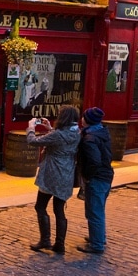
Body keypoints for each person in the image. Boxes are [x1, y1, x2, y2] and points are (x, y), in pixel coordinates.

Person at [26, 105, 81, 254]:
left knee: (40, 206)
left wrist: (31, 127)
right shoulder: (76, 133)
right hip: (67, 174)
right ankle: (60, 244)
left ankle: (45, 240)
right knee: (59, 209)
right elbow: (58, 139)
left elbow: (33, 141)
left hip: (52, 172)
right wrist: (50, 128)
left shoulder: (58, 134)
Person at [76, 107, 114, 254]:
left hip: (97, 178)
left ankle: (97, 244)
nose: (81, 119)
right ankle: (99, 237)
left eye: (84, 117)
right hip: (106, 175)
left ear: (87, 120)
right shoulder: (101, 132)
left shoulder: (89, 139)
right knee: (99, 209)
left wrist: (87, 175)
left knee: (94, 211)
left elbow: (94, 161)